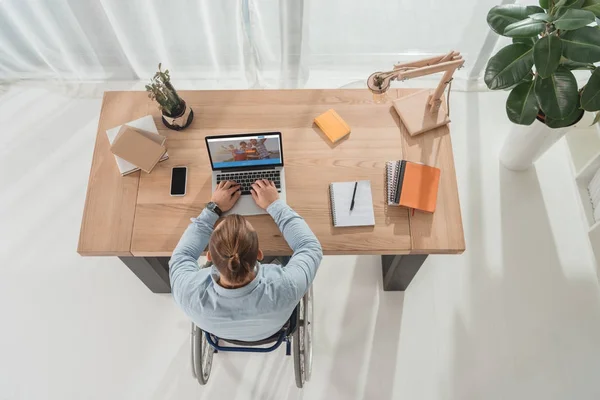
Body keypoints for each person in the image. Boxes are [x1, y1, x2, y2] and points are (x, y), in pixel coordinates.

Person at [169, 179, 323, 341]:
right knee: (289, 256)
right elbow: (309, 246)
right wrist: (274, 204)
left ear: (209, 257)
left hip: (223, 334)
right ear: (259, 254)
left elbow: (183, 255)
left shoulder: (187, 292)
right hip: (272, 331)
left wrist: (213, 208)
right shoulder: (286, 286)